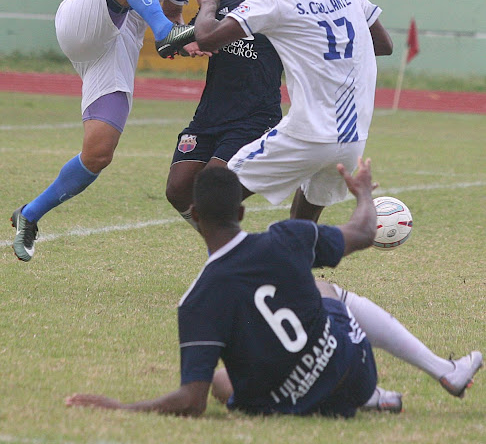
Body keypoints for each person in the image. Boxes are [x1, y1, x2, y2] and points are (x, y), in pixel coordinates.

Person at [65, 165, 482, 417]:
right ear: (242, 211)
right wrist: (362, 195)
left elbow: (190, 402)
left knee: (217, 382)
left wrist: (120, 408)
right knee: (324, 286)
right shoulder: (287, 237)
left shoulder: (195, 301)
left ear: (194, 214)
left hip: (295, 403)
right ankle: (440, 372)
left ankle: (373, 399)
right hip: (356, 371)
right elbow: (363, 231)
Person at [11, 0, 199, 261]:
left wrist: (186, 41)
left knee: (99, 152)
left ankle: (29, 215)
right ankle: (162, 33)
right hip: (82, 18)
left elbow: (172, 13)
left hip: (118, 47)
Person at [194, 0, 393, 220]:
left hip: (306, 135)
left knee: (211, 196)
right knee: (303, 224)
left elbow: (207, 39)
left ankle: (236, 261)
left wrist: (209, 2)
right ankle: (295, 262)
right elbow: (384, 45)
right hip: (352, 139)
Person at [165, 0, 285, 228]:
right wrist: (183, 45)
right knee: (177, 190)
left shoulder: (287, 4)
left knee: (212, 189)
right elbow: (186, 39)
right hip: (209, 116)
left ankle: (228, 252)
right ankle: (222, 245)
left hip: (254, 119)